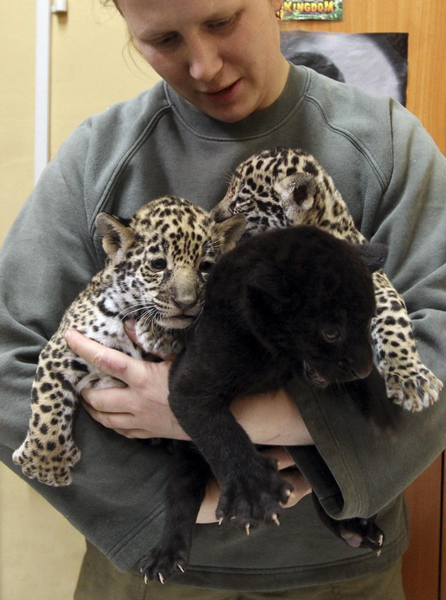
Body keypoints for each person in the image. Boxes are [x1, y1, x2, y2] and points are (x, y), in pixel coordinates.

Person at [1, 0, 445, 597]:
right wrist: (168, 505)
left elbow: (437, 344)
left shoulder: (388, 144)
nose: (204, 66)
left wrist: (261, 420)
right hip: (153, 576)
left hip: (336, 578)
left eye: (222, 21)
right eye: (163, 39)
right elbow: (9, 354)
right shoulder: (98, 155)